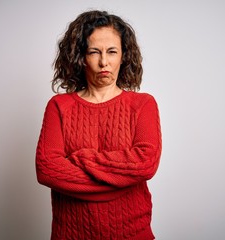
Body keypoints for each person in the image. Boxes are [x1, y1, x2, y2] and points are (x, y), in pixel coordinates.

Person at [36, 10, 162, 240]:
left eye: (112, 51)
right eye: (94, 52)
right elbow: (47, 170)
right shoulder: (59, 106)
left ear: (124, 55)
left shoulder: (143, 104)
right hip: (71, 235)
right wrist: (118, 183)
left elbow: (145, 164)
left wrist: (81, 159)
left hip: (133, 234)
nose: (104, 62)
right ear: (80, 56)